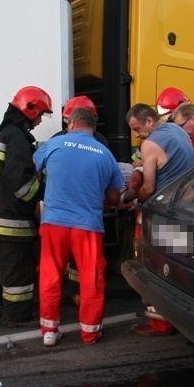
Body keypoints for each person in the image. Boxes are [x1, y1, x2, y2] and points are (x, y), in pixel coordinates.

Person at [34, 107, 123, 346]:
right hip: (88, 226)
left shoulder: (55, 144)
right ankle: (90, 333)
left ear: (71, 123)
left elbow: (35, 167)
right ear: (93, 127)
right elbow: (115, 198)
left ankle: (49, 332)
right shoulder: (105, 153)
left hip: (54, 223)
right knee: (91, 278)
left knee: (51, 275)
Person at [0, 85, 52, 327]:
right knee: (19, 268)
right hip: (10, 219)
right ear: (30, 110)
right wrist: (46, 191)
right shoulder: (17, 138)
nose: (39, 121)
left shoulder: (7, 132)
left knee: (7, 263)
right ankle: (16, 316)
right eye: (39, 115)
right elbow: (21, 184)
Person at [126, 103, 194, 336]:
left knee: (154, 268)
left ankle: (160, 323)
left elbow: (148, 187)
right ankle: (182, 320)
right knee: (178, 270)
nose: (136, 135)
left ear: (149, 121)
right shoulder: (178, 131)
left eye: (137, 128)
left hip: (162, 214)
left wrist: (134, 200)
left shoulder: (150, 144)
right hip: (184, 210)